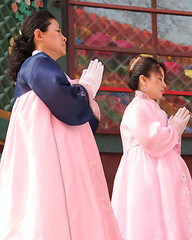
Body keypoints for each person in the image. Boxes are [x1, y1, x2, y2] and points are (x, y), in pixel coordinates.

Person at [0, 10, 122, 239]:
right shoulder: (36, 64)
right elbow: (67, 105)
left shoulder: (49, 70)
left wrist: (83, 91)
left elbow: (76, 116)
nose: (64, 37)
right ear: (39, 34)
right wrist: (85, 89)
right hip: (50, 160)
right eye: (58, 30)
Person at [111, 56, 192, 240]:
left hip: (160, 170)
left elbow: (162, 142)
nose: (164, 85)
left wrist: (172, 132)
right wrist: (173, 130)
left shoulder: (154, 108)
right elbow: (151, 141)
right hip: (145, 171)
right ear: (143, 80)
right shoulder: (137, 107)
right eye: (159, 79)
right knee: (151, 217)